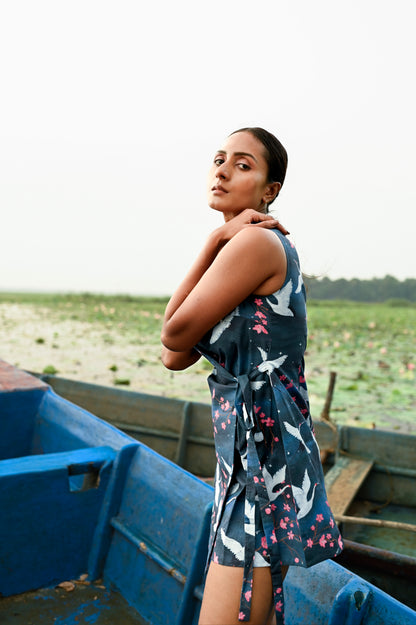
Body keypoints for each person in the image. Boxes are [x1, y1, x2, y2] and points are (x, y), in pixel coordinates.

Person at [161, 127, 343, 625]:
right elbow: (173, 357)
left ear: (270, 191)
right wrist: (217, 240)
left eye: (243, 164)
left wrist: (215, 241)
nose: (222, 169)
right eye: (219, 159)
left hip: (260, 451)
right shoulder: (234, 249)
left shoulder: (257, 243)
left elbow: (174, 333)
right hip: (246, 447)